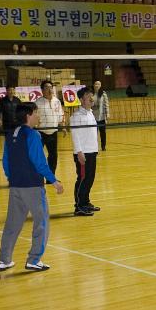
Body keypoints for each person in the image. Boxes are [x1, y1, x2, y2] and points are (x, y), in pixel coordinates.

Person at [0, 102, 64, 271]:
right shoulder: (33, 135)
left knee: (12, 223)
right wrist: (54, 180)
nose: (38, 116)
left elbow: (5, 161)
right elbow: (39, 162)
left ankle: (4, 259)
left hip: (16, 186)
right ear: (28, 115)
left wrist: (12, 178)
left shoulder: (10, 133)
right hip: (33, 187)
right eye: (36, 113)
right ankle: (34, 260)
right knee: (41, 222)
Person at [69, 87, 100, 216]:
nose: (91, 98)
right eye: (88, 96)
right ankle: (79, 206)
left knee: (90, 178)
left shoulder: (90, 113)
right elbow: (75, 135)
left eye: (91, 95)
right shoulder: (76, 116)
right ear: (81, 99)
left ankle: (85, 202)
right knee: (83, 178)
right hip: (83, 153)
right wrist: (79, 152)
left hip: (92, 151)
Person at [36, 80, 63, 173]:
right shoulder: (38, 102)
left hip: (53, 132)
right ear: (42, 90)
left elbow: (60, 115)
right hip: (41, 133)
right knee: (38, 155)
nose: (49, 89)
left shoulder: (57, 101)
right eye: (47, 88)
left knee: (53, 155)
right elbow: (34, 117)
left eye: (51, 87)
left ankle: (51, 177)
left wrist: (62, 127)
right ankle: (37, 177)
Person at [94, 80, 110, 150]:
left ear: (100, 86)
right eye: (96, 84)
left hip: (102, 117)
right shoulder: (91, 94)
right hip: (93, 117)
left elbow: (106, 104)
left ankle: (103, 146)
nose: (97, 85)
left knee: (103, 133)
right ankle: (94, 147)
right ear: (94, 85)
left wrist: (107, 113)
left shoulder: (103, 94)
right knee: (94, 133)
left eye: (98, 84)